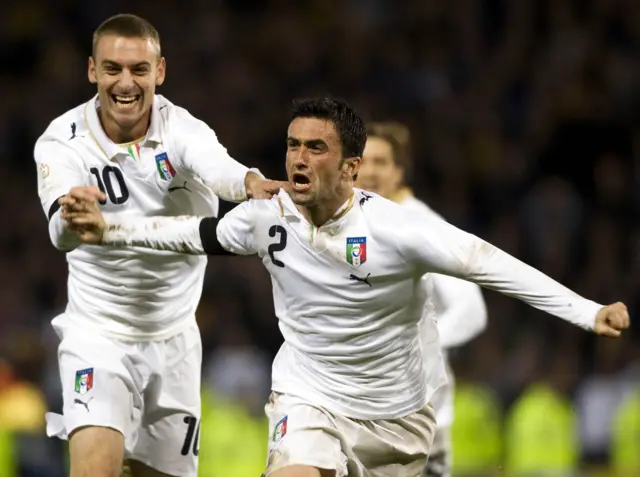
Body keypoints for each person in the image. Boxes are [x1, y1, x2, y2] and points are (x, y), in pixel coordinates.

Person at [61, 97, 630, 477]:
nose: (298, 159)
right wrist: (109, 228)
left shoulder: (397, 230)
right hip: (308, 397)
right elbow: (193, 233)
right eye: (293, 145)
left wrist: (587, 311)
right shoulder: (267, 216)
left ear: (353, 169)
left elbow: (492, 265)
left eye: (317, 148)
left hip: (398, 419)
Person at [33, 13, 284, 477]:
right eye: (112, 69)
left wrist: (249, 181)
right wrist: (74, 217)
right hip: (98, 335)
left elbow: (217, 167)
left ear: (160, 71)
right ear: (92, 70)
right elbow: (58, 230)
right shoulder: (61, 141)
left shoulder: (183, 129)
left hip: (176, 342)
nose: (125, 83)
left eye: (138, 70)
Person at [357, 122, 488, 477]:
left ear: (399, 171)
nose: (369, 171)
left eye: (381, 162)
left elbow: (471, 309)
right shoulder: (354, 222)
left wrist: (414, 342)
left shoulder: (423, 225)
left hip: (419, 420)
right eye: (363, 161)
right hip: (366, 412)